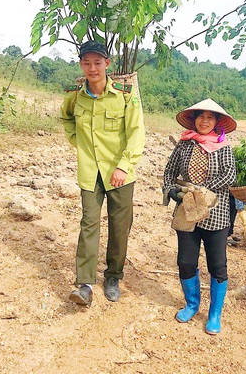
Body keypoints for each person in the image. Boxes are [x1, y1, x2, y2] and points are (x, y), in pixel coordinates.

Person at [60, 40, 145, 307]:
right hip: (89, 171)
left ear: (107, 64)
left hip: (119, 172)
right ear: (81, 64)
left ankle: (113, 277)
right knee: (89, 223)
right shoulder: (75, 94)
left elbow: (136, 132)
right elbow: (66, 118)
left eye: (98, 62)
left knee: (119, 228)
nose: (92, 68)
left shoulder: (125, 93)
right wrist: (79, 143)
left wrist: (124, 166)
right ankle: (85, 284)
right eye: (87, 63)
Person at [162, 98, 237, 335]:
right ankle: (192, 304)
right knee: (185, 261)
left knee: (217, 265)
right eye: (200, 116)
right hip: (187, 213)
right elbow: (169, 172)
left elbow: (229, 176)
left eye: (210, 117)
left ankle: (214, 314)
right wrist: (171, 190)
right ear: (194, 120)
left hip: (216, 213)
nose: (204, 121)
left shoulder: (223, 147)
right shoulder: (184, 145)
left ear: (216, 123)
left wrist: (202, 191)